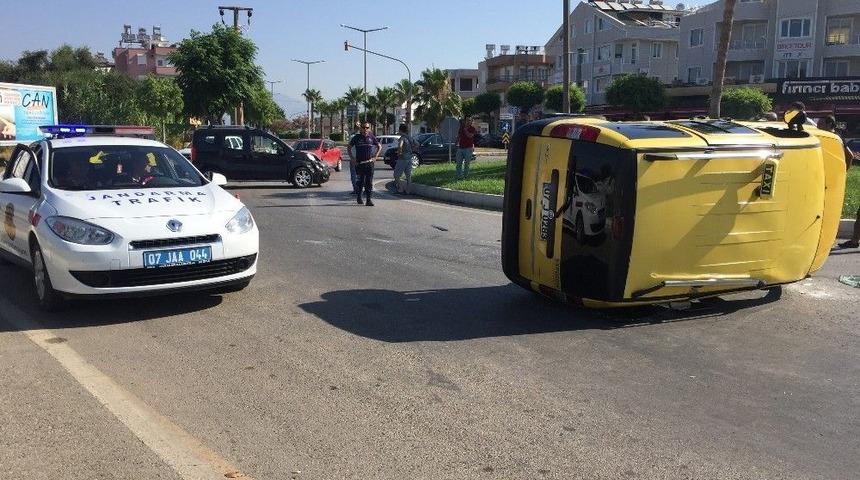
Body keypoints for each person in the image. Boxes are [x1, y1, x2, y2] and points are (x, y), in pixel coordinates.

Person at [348, 123, 381, 206]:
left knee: (369, 182)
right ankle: (359, 197)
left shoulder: (371, 137)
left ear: (369, 128)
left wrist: (376, 156)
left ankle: (368, 200)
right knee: (360, 181)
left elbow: (379, 146)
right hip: (360, 163)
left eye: (367, 127)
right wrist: (352, 158)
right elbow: (349, 147)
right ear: (361, 128)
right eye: (364, 127)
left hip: (369, 163)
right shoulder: (356, 138)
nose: (365, 129)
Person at [393, 124, 415, 194]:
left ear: (400, 130)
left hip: (402, 159)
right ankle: (408, 190)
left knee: (396, 175)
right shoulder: (410, 138)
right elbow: (417, 144)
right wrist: (411, 150)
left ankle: (401, 189)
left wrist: (399, 153)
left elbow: (400, 146)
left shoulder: (402, 138)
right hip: (409, 158)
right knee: (408, 176)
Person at [347, 122, 362, 194]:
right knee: (360, 174)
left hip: (354, 158)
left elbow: (349, 147)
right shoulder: (363, 136)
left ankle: (356, 189)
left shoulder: (352, 136)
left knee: (354, 174)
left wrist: (351, 157)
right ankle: (360, 189)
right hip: (360, 158)